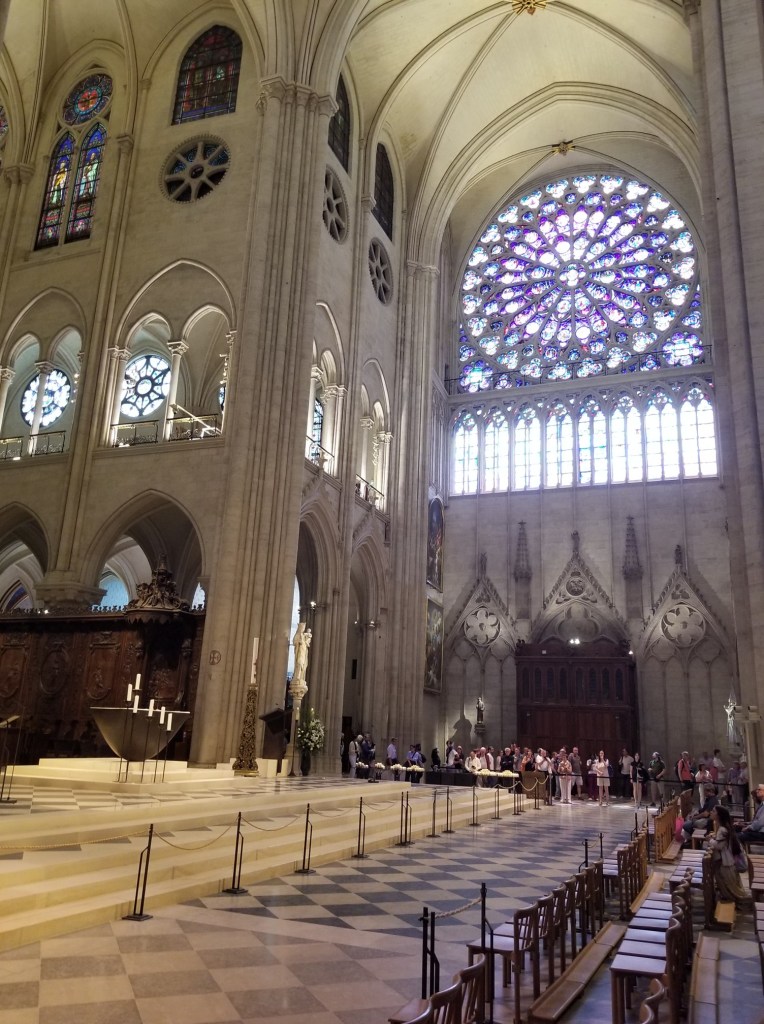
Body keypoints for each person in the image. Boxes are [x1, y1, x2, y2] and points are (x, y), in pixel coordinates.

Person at [707, 805, 752, 908]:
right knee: (729, 885)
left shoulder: (723, 829)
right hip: (727, 860)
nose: (711, 812)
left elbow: (719, 846)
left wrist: (710, 840)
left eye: (713, 811)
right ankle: (732, 901)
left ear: (718, 815)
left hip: (726, 862)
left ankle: (738, 902)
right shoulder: (724, 827)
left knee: (730, 887)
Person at [736, 782, 764, 846]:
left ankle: (740, 854)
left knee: (737, 836)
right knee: (737, 831)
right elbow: (756, 821)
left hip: (762, 833)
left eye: (759, 789)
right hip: (759, 831)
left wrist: (748, 827)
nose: (757, 791)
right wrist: (746, 824)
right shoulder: (762, 805)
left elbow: (760, 822)